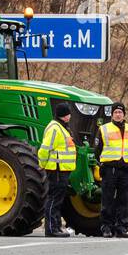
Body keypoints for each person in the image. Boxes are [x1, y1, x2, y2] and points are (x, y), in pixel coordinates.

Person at [97, 102, 128, 238]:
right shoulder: (104, 129)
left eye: (120, 112)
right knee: (107, 199)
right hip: (110, 169)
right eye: (115, 112)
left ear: (124, 114)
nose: (118, 114)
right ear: (112, 114)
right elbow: (97, 150)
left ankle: (121, 227)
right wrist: (103, 164)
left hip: (125, 170)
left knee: (123, 200)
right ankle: (106, 227)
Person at [38, 101, 76, 237]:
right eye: (67, 114)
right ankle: (50, 229)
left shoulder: (62, 127)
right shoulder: (54, 128)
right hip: (56, 169)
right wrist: (42, 165)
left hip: (62, 169)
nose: (69, 116)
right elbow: (44, 149)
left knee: (58, 200)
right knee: (53, 199)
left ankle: (57, 227)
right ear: (62, 115)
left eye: (69, 114)